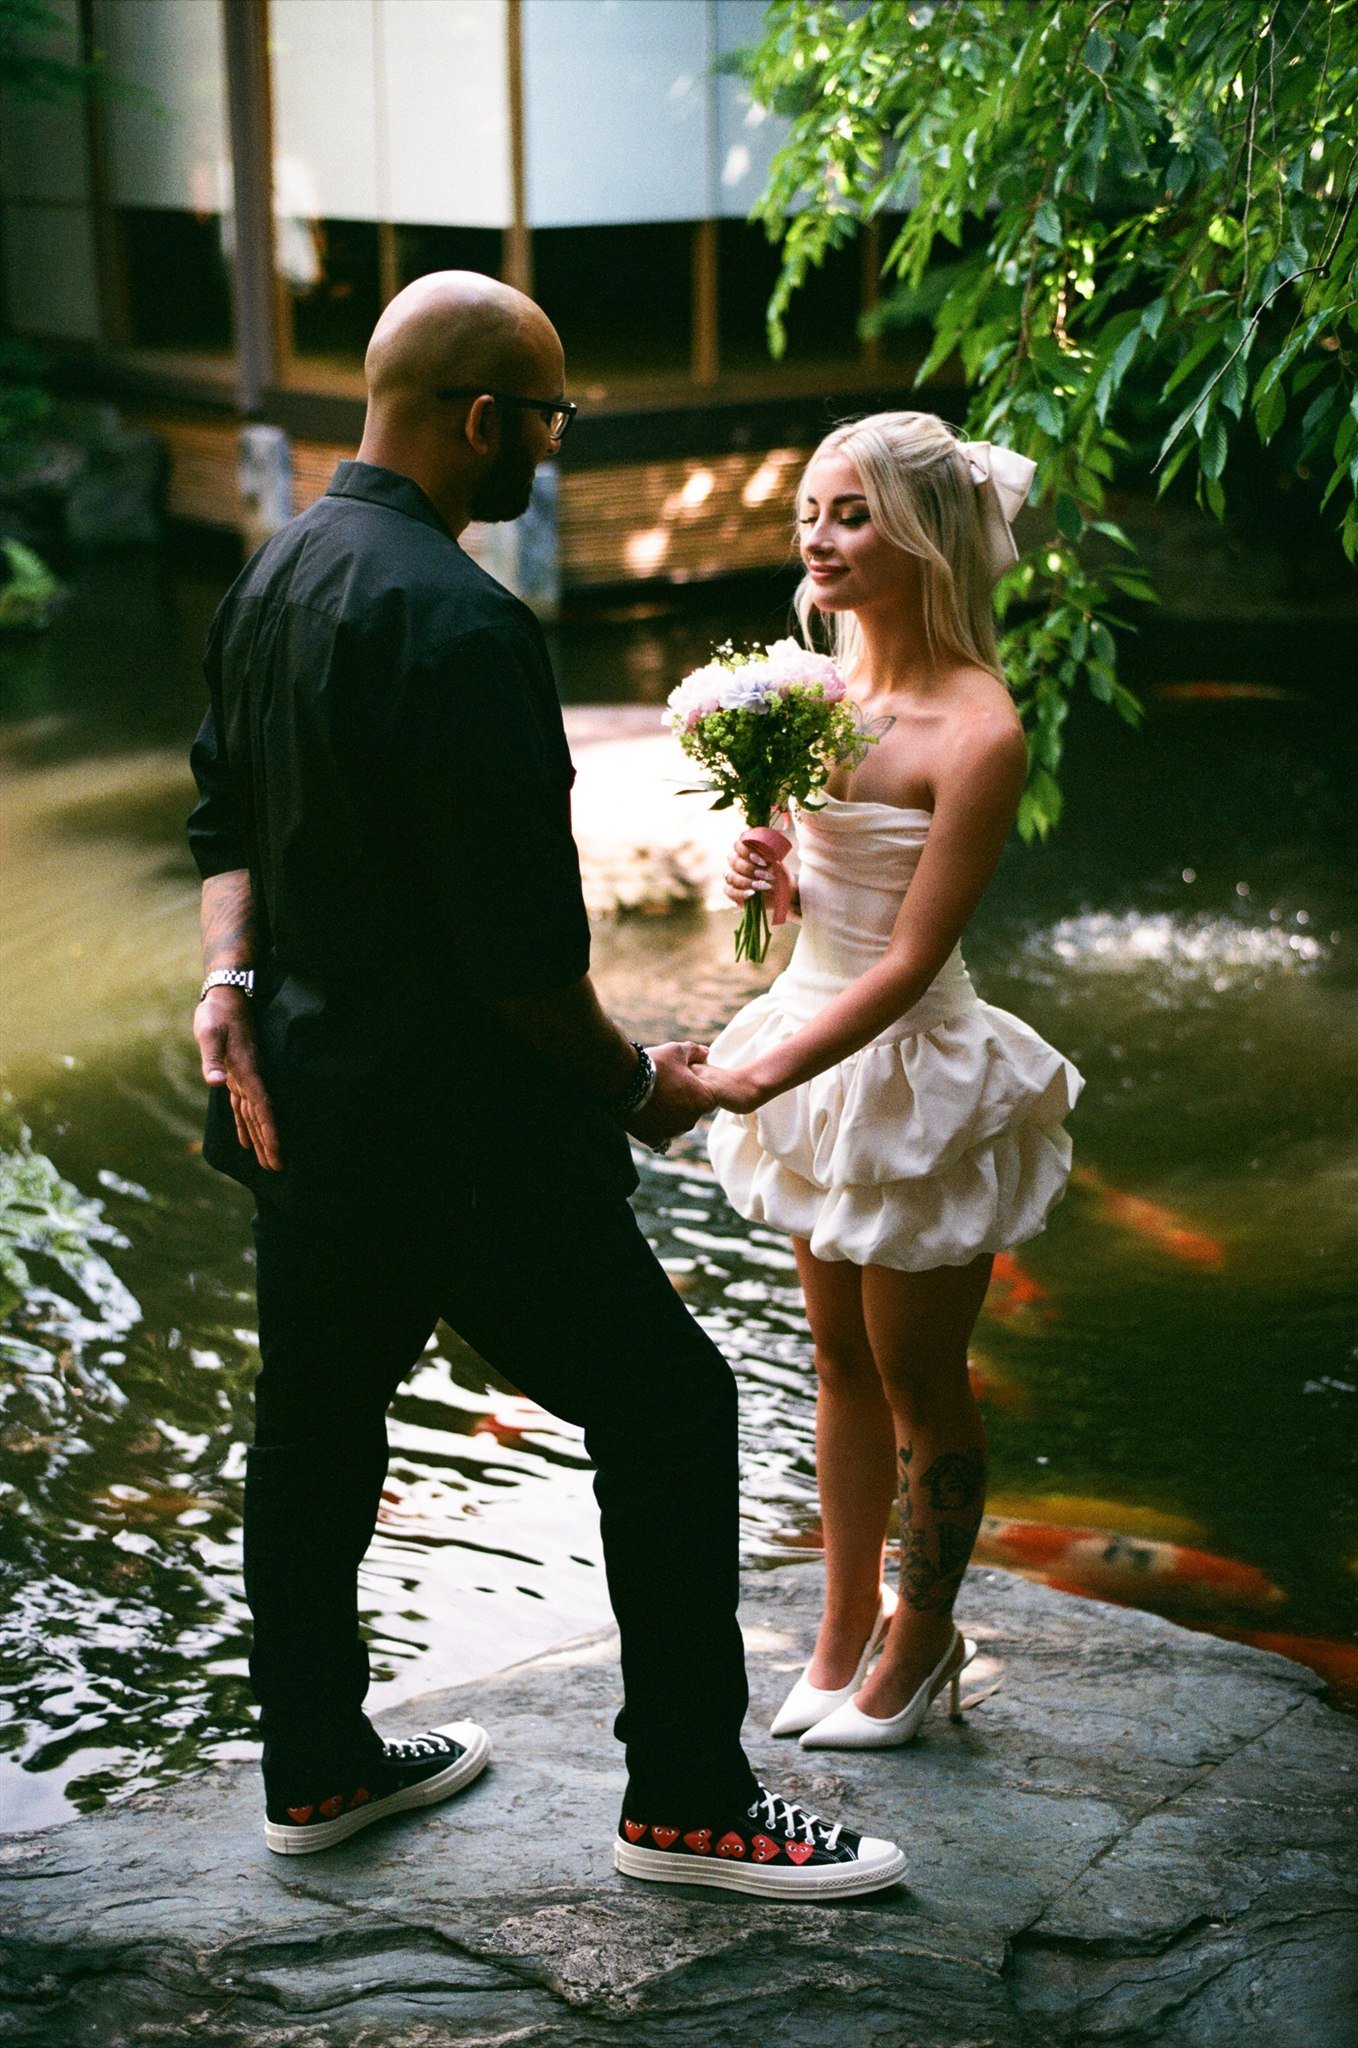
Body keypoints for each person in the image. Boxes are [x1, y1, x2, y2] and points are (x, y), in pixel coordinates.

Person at [187, 272, 903, 1897]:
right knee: (669, 1407)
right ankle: (688, 1799)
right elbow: (519, 958)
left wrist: (227, 983)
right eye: (553, 417)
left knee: (310, 1435)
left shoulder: (275, 569)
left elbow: (218, 816)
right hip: (459, 1141)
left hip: (300, 1111)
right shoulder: (463, 620)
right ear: (481, 419)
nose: (556, 447)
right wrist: (633, 1089)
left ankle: (314, 1767)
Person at [701, 412, 1083, 1750]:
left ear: (921, 536)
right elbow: (823, 919)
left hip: (907, 1066)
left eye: (851, 514)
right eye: (808, 509)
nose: (816, 536)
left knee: (918, 1372)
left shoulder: (976, 730)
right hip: (814, 1040)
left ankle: (918, 1644)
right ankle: (834, 1631)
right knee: (831, 1359)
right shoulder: (813, 695)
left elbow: (913, 960)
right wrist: (772, 880)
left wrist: (749, 1077)